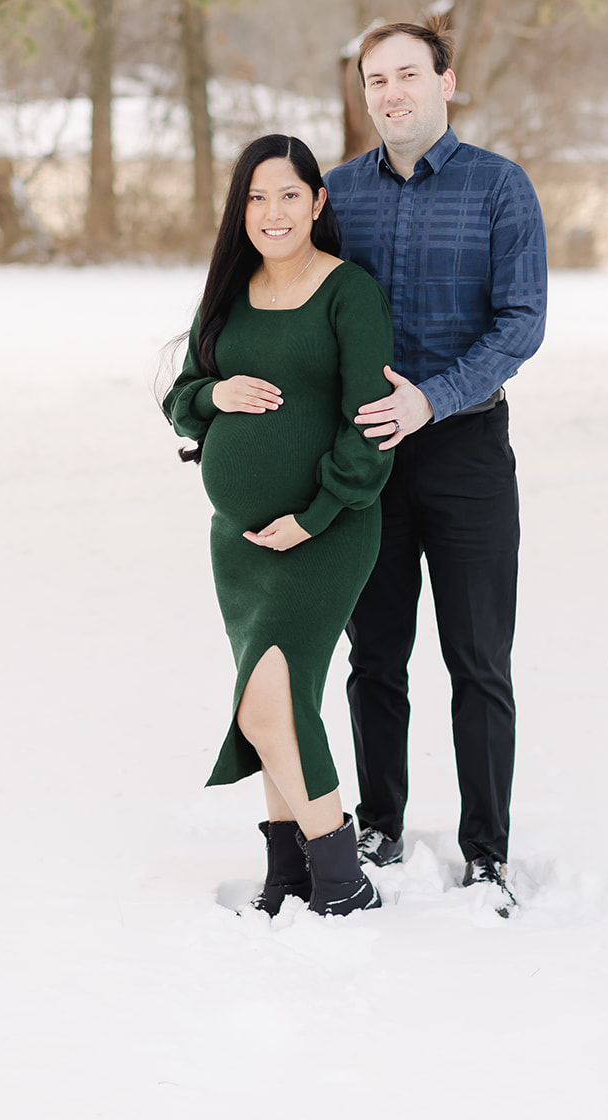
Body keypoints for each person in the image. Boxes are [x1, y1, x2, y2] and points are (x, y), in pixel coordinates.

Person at [325, 19, 547, 915]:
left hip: (466, 452)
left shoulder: (500, 188)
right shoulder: (335, 195)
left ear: (447, 82)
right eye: (375, 80)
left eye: (407, 74)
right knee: (373, 657)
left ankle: (485, 851)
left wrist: (434, 397)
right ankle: (378, 825)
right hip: (367, 455)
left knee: (477, 659)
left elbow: (520, 321)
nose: (390, 94)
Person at [162, 134, 394, 918]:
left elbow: (370, 426)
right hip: (240, 549)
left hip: (325, 533)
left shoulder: (347, 292)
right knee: (280, 706)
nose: (272, 212)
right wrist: (214, 397)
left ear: (317, 202)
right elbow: (181, 394)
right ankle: (288, 873)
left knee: (266, 704)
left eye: (289, 194)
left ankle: (342, 878)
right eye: (257, 197)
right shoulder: (228, 292)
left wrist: (315, 513)